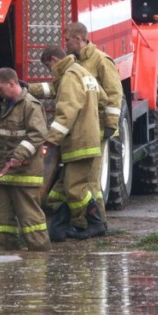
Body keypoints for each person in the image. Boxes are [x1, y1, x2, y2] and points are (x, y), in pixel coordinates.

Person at [40, 46, 106, 242]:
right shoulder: (83, 72)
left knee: (74, 189)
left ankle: (95, 224)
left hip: (79, 143)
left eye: (47, 66)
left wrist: (51, 139)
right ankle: (58, 229)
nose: (49, 71)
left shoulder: (69, 76)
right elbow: (103, 98)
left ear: (53, 60)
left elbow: (66, 113)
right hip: (87, 140)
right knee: (60, 190)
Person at [63, 21, 123, 231]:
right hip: (81, 128)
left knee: (91, 179)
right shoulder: (74, 61)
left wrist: (110, 124)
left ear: (79, 39)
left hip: (97, 127)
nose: (66, 44)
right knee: (86, 180)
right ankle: (91, 223)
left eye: (68, 40)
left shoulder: (100, 60)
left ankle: (97, 223)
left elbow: (114, 94)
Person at [0, 67, 50, 251]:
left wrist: (18, 155)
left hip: (24, 174)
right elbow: (3, 139)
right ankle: (5, 257)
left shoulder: (30, 105)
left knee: (31, 220)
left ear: (12, 83)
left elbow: (37, 135)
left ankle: (40, 256)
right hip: (5, 175)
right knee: (2, 221)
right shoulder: (7, 105)